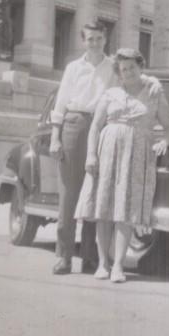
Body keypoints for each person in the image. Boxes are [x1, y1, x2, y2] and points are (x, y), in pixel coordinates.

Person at [76, 48, 169, 283]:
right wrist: (91, 155)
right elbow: (95, 127)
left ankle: (118, 266)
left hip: (138, 155)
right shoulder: (110, 94)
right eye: (124, 69)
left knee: (126, 210)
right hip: (107, 153)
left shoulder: (154, 92)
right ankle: (102, 263)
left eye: (132, 67)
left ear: (141, 67)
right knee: (103, 208)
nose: (128, 72)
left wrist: (164, 141)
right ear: (118, 73)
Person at [48, 21, 115, 275]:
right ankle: (63, 257)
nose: (95, 43)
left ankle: (89, 258)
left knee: (94, 193)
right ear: (83, 41)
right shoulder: (73, 68)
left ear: (105, 39)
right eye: (90, 39)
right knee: (69, 194)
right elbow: (61, 101)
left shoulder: (112, 68)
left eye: (99, 38)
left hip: (100, 127)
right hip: (74, 125)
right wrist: (56, 137)